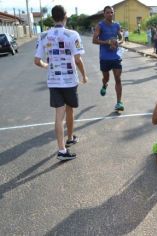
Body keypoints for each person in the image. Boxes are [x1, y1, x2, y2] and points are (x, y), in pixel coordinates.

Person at [34, 5, 88, 161]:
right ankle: (70, 137)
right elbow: (78, 59)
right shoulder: (72, 34)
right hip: (70, 80)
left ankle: (62, 149)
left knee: (59, 115)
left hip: (53, 80)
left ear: (52, 17)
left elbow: (37, 61)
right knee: (70, 110)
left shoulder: (43, 35)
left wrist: (47, 66)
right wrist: (84, 75)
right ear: (65, 16)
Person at [92, 6, 124, 112]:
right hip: (105, 57)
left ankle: (119, 102)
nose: (110, 14)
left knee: (118, 78)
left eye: (111, 12)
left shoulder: (117, 25)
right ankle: (104, 84)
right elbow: (94, 40)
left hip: (116, 56)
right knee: (106, 78)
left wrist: (118, 43)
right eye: (108, 12)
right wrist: (107, 42)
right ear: (104, 14)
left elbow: (121, 37)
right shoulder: (100, 26)